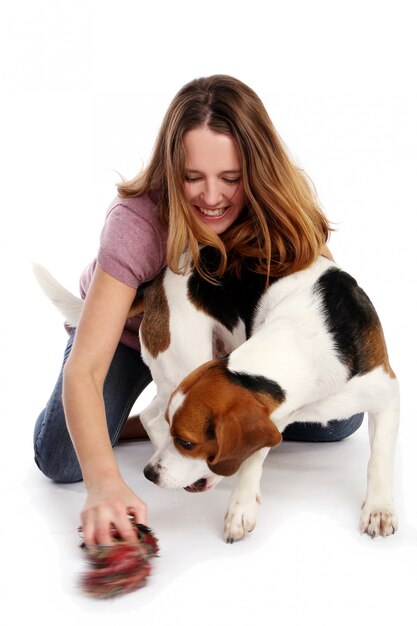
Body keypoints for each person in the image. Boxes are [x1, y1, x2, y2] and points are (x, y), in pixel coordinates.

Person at [34, 75, 363, 547]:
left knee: (340, 420)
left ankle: (169, 419)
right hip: (127, 332)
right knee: (64, 460)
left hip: (230, 337)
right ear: (171, 171)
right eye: (193, 177)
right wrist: (104, 482)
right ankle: (168, 417)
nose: (212, 197)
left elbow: (320, 301)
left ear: (258, 170)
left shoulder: (282, 205)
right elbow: (84, 370)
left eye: (231, 178)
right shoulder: (137, 223)